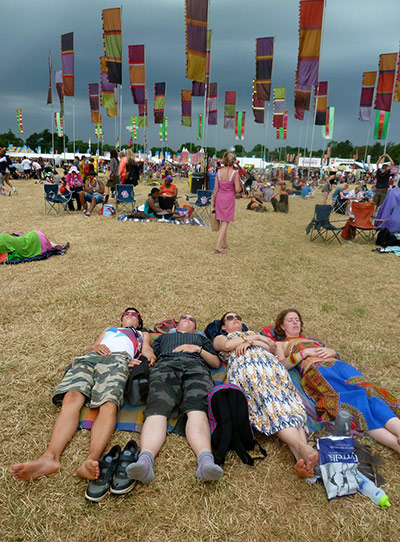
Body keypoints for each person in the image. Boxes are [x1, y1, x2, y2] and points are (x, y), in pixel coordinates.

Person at [12, 307, 155, 482]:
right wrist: (96, 347)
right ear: (121, 319)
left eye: (134, 315)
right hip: (90, 358)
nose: (130, 316)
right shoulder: (110, 329)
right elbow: (95, 344)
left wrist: (145, 361)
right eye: (127, 314)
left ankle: (91, 460)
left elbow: (147, 349)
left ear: (139, 322)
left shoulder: (141, 334)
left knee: (108, 404)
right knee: (71, 397)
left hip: (118, 361)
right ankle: (50, 457)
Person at [271, 309, 400, 454]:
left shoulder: (312, 340)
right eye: (290, 320)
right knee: (354, 403)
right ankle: (396, 445)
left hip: (340, 366)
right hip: (318, 371)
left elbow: (331, 353)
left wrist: (332, 352)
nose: (295, 322)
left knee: (368, 392)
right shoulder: (280, 344)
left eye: (297, 319)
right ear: (282, 326)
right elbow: (282, 365)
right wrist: (303, 353)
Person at [213, 312, 318, 478]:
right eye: (230, 318)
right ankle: (302, 447)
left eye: (238, 317)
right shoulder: (220, 337)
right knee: (273, 408)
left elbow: (272, 347)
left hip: (273, 368)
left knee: (290, 405)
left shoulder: (254, 335)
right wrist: (254, 341)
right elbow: (227, 346)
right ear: (223, 326)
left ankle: (303, 461)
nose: (236, 320)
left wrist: (252, 340)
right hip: (249, 369)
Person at [126, 314, 223, 483]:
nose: (187, 319)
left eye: (192, 319)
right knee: (157, 407)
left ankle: (205, 462)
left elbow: (215, 363)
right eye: (184, 317)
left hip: (196, 368)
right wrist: (146, 358)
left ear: (195, 328)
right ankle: (145, 461)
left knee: (197, 409)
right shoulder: (165, 337)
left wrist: (197, 349)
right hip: (166, 366)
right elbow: (149, 352)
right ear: (176, 325)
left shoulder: (201, 339)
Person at [212, 151, 242, 254]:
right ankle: (218, 245)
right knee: (225, 222)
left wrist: (213, 199)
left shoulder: (219, 172)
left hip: (219, 197)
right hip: (229, 198)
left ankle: (224, 243)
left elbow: (216, 188)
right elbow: (238, 189)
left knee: (221, 220)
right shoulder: (235, 173)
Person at [0, 230, 69, 261]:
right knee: (32, 241)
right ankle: (58, 246)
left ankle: (56, 246)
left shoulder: (2, 243)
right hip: (34, 235)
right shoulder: (3, 237)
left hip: (33, 239)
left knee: (33, 244)